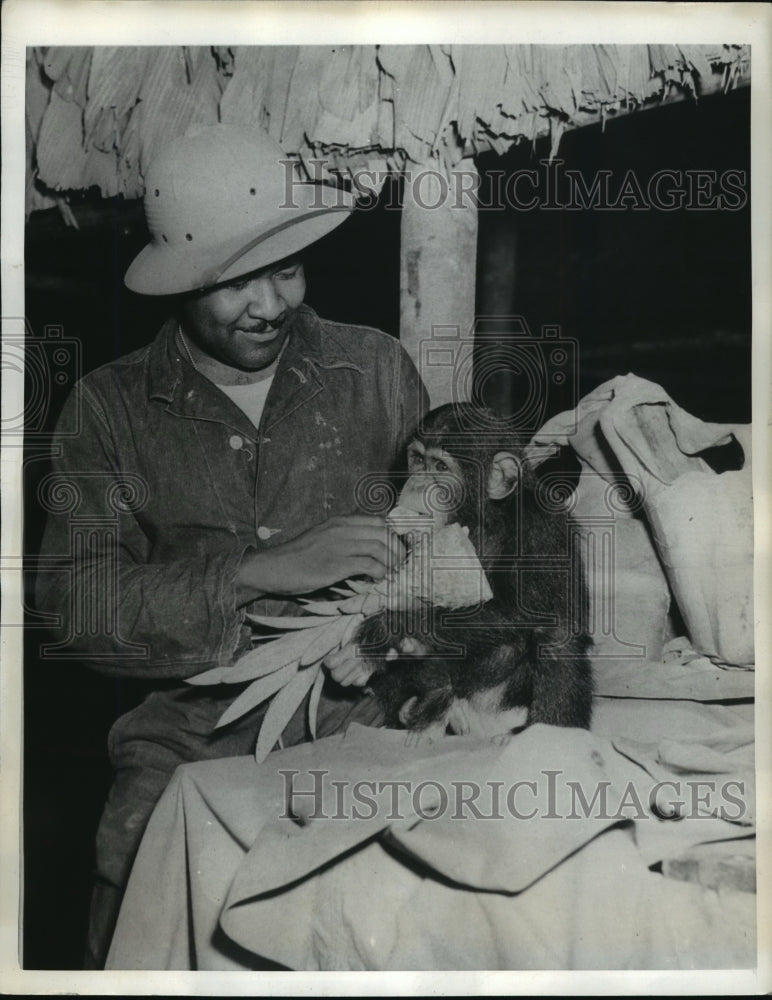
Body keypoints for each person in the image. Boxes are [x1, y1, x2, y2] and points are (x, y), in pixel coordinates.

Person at [34, 123, 428, 967]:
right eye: (235, 283)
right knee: (144, 934)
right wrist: (255, 574)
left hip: (370, 719)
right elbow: (74, 608)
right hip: (187, 740)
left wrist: (407, 618)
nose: (272, 305)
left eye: (285, 269)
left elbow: (446, 538)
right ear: (178, 284)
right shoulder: (110, 410)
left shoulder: (376, 371)